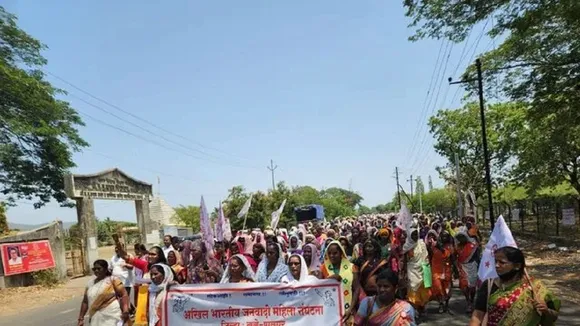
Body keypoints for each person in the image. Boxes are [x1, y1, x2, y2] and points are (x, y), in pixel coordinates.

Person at [469, 247, 560, 326]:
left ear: (517, 266)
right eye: (495, 261)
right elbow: (477, 315)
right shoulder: (489, 284)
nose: (496, 265)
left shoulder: (534, 288)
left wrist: (546, 310)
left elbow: (553, 316)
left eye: (502, 262)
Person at [77, 260, 130, 326]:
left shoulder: (113, 280)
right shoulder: (89, 284)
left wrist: (125, 311)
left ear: (105, 269)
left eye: (99, 268)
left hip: (112, 316)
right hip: (95, 318)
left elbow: (124, 295)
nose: (96, 271)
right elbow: (85, 301)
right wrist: (81, 318)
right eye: (94, 269)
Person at [320, 241, 359, 322]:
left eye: (335, 253)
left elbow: (356, 289)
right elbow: (318, 288)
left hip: (348, 309)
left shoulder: (352, 267)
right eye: (329, 253)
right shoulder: (323, 268)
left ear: (341, 253)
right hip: (329, 311)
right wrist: (330, 279)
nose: (332, 256)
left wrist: (350, 309)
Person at [402, 229, 431, 320]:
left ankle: (421, 308)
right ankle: (414, 310)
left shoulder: (422, 244)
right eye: (413, 235)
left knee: (422, 291)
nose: (415, 236)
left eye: (416, 234)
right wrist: (403, 272)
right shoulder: (406, 246)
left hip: (423, 269)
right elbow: (405, 260)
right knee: (412, 289)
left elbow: (426, 256)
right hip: (412, 270)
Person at [427, 230, 455, 313]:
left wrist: (455, 270)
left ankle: (446, 304)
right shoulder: (434, 246)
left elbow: (453, 259)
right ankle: (441, 304)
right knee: (438, 288)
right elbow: (430, 257)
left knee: (447, 288)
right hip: (436, 271)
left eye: (446, 236)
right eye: (443, 236)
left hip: (447, 270)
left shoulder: (450, 247)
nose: (444, 237)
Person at [455, 227, 480, 313]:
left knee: (472, 288)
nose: (461, 239)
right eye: (459, 237)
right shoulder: (457, 247)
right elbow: (454, 257)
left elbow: (478, 258)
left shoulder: (473, 246)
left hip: (472, 268)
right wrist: (455, 269)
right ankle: (468, 301)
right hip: (462, 268)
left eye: (462, 237)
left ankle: (472, 300)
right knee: (464, 287)